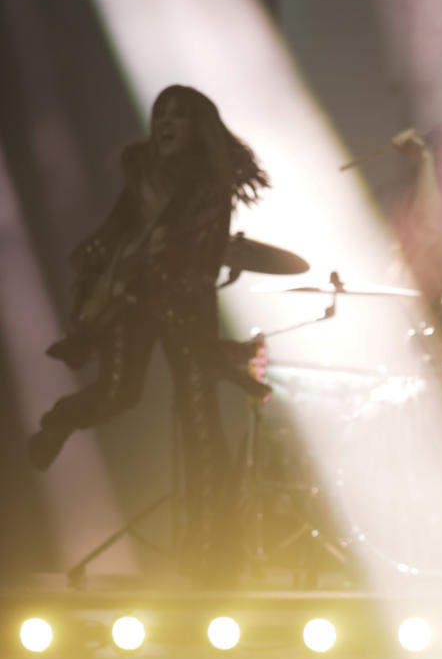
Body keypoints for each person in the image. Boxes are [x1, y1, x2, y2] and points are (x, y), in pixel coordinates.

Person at [27, 85, 269, 584]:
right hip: (134, 304)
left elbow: (192, 247)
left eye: (178, 116)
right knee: (117, 394)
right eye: (161, 113)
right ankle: (60, 419)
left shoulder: (211, 183)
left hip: (185, 309)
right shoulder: (141, 178)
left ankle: (212, 552)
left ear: (197, 126)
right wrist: (94, 285)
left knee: (202, 426)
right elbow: (115, 236)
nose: (165, 122)